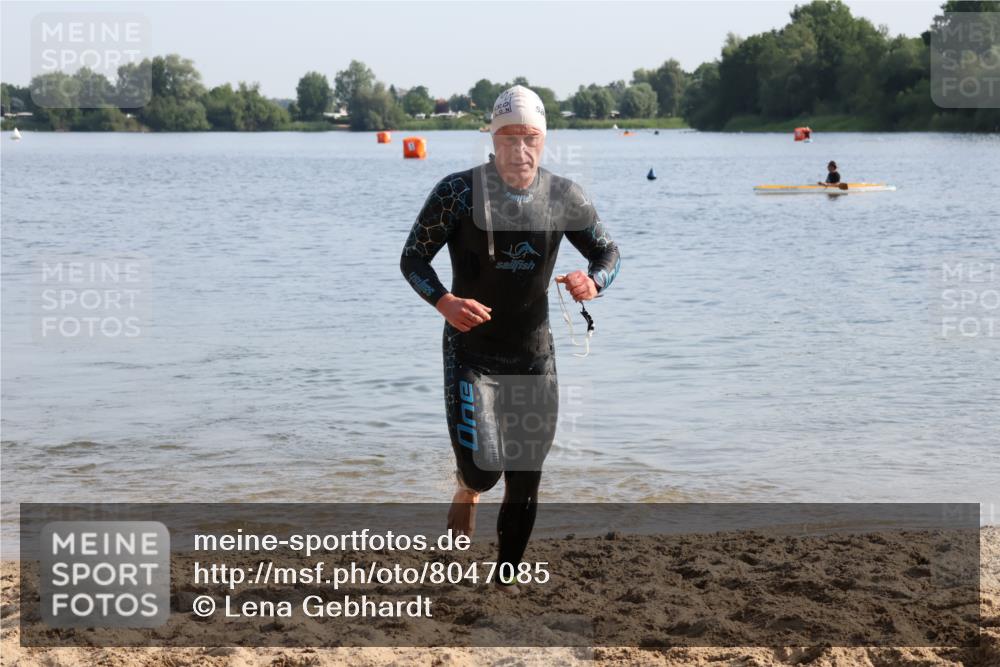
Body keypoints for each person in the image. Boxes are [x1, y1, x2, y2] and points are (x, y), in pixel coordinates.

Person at [400, 85, 621, 591]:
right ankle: (467, 490)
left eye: (531, 137)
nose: (519, 148)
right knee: (483, 471)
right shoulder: (457, 193)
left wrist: (594, 282)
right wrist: (445, 302)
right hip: (471, 352)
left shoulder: (565, 196)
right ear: (492, 138)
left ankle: (505, 581)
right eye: (509, 137)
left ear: (543, 140)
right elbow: (412, 258)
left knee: (526, 475)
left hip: (532, 354)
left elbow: (608, 254)